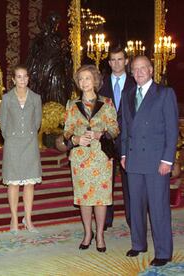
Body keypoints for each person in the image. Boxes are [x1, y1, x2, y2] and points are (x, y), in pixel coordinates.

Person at [121, 56, 178, 267]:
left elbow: (172, 130)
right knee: (135, 205)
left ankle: (163, 251)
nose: (139, 72)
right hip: (134, 159)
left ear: (151, 70)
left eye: (143, 68)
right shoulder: (127, 95)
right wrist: (124, 155)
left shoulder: (164, 93)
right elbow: (126, 127)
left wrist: (167, 160)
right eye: (135, 69)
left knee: (158, 207)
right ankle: (138, 244)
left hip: (156, 161)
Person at [64, 64, 119, 253]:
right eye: (80, 79)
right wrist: (76, 138)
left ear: (95, 80)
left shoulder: (107, 103)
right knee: (84, 198)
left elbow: (115, 129)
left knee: (101, 199)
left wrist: (100, 133)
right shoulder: (72, 105)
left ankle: (100, 235)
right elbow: (67, 132)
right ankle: (88, 233)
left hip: (102, 158)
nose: (84, 82)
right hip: (80, 158)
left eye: (87, 78)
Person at [0, 64, 42, 234]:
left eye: (25, 76)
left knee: (30, 183)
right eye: (19, 76)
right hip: (13, 144)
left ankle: (28, 219)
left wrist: (29, 135)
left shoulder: (36, 98)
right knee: (14, 183)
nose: (22, 80)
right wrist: (11, 137)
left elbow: (37, 122)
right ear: (13, 79)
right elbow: (3, 124)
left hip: (30, 144)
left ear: (28, 78)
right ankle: (14, 219)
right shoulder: (7, 99)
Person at [99, 46, 135, 230]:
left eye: (120, 59)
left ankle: (132, 219)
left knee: (130, 183)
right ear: (109, 61)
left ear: (126, 61)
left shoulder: (136, 82)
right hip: (107, 139)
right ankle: (106, 219)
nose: (116, 63)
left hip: (129, 140)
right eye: (112, 60)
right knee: (106, 181)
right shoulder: (101, 83)